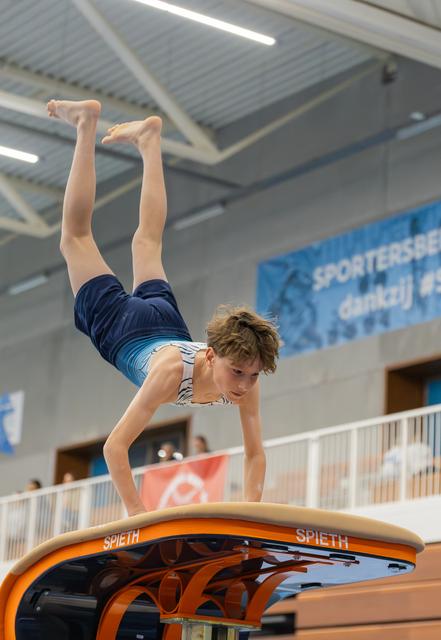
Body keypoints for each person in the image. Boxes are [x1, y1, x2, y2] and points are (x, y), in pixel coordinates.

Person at [47, 99, 280, 517]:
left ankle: (149, 140)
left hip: (167, 325)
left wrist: (252, 513)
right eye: (237, 373)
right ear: (211, 354)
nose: (244, 385)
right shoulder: (171, 375)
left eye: (251, 375)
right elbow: (115, 448)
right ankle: (85, 124)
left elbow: (255, 456)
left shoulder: (244, 376)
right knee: (75, 238)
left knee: (148, 241)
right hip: (128, 334)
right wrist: (139, 518)